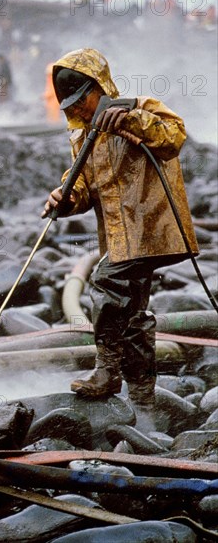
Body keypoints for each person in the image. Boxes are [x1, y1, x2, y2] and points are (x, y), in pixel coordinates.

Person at [41, 48, 198, 416]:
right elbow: (82, 185)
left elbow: (173, 139)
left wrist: (130, 120)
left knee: (107, 282)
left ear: (101, 86)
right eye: (72, 105)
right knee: (133, 315)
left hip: (153, 229)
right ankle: (143, 401)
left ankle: (107, 371)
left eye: (83, 99)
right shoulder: (83, 136)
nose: (79, 109)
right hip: (119, 239)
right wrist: (65, 198)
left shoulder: (142, 107)